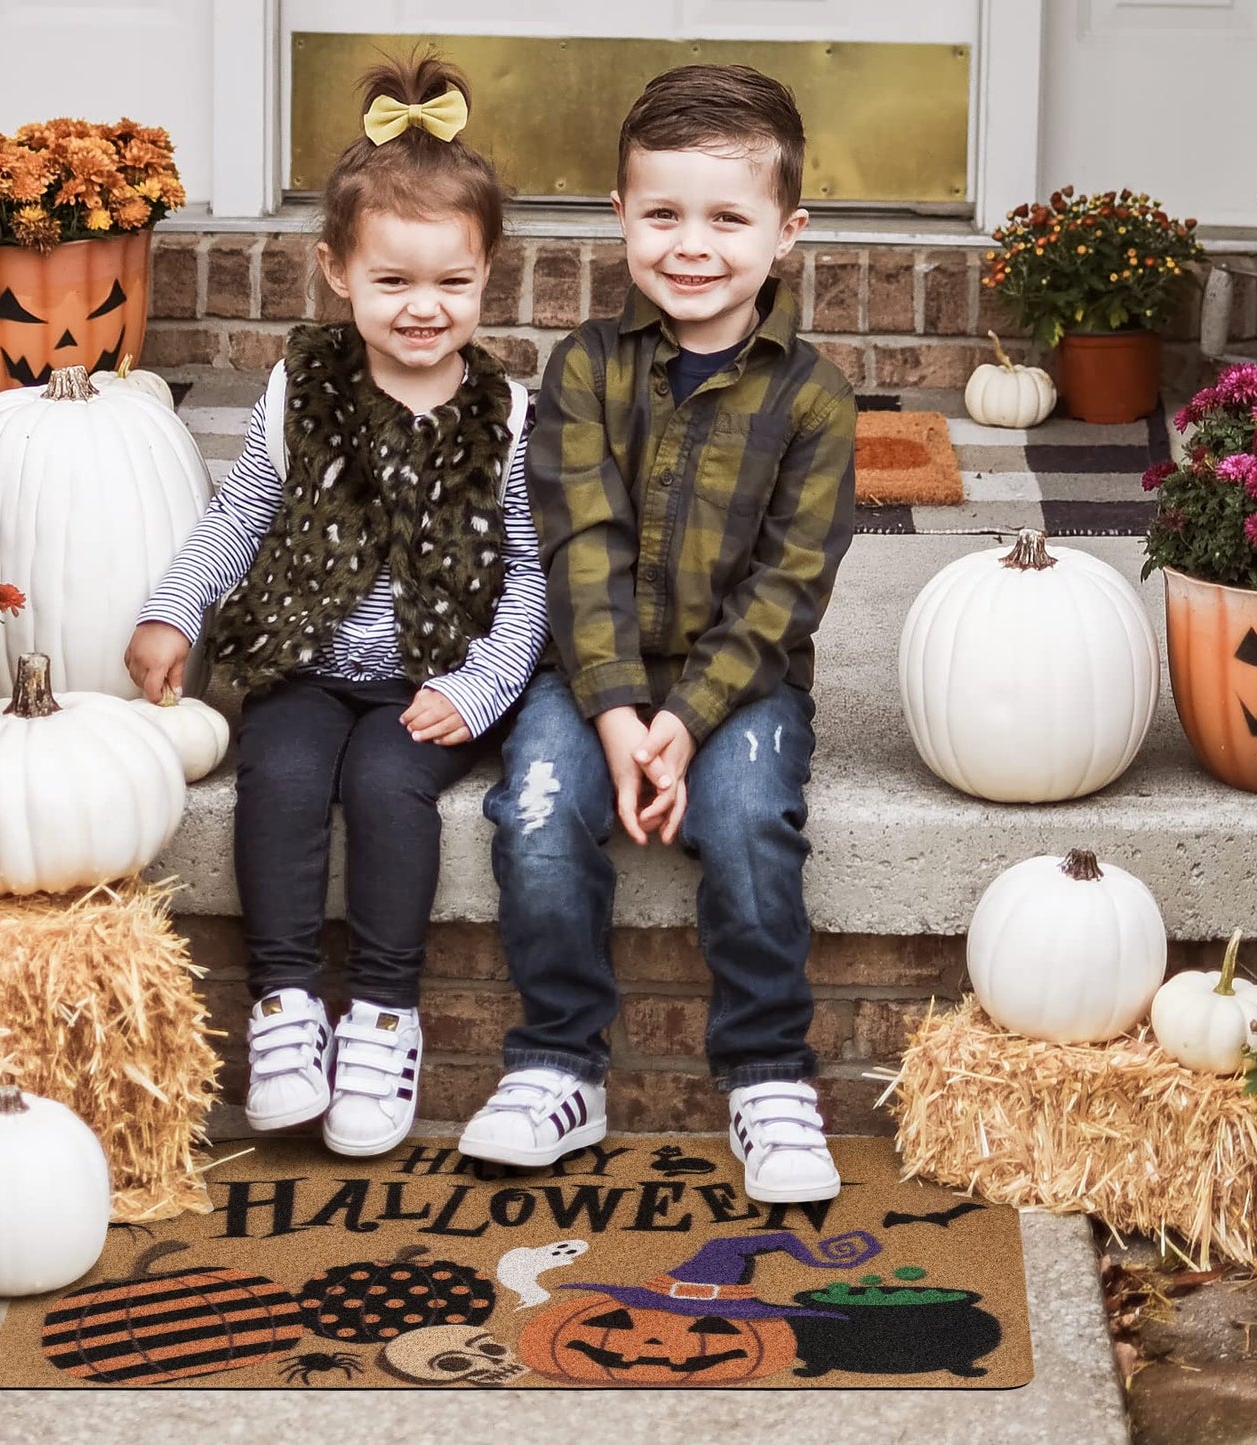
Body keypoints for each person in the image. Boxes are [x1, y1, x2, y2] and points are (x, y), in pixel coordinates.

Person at [125, 52, 546, 1158]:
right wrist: (173, 611)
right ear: (335, 271)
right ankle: (282, 1005)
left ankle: (383, 1015)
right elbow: (238, 516)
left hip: (433, 676)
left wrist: (481, 685)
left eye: (452, 283)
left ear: (487, 277)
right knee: (284, 770)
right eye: (393, 282)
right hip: (307, 655)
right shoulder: (294, 387)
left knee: (384, 782)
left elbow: (530, 569)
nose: (423, 308)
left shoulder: (505, 414)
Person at [457, 63, 857, 1203]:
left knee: (743, 823)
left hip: (741, 682)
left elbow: (788, 587)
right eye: (664, 213)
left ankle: (767, 1071)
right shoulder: (582, 368)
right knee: (534, 813)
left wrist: (682, 724)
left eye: (727, 217)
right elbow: (576, 544)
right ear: (619, 217)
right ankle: (556, 1061)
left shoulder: (816, 399)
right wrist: (619, 713)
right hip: (592, 671)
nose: (692, 244)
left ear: (786, 232)